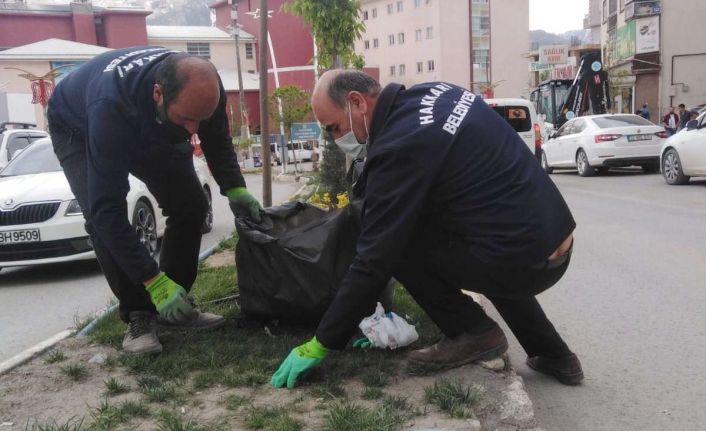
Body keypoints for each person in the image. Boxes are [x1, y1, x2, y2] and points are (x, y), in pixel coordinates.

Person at [271, 69, 583, 389]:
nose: (337, 139)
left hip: (521, 260)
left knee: (399, 242)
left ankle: (474, 333)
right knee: (488, 239)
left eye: (334, 127)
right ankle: (555, 355)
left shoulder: (399, 144)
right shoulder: (436, 93)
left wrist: (324, 340)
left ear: (356, 102)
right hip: (554, 239)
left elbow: (374, 256)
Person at [47, 47, 263, 355]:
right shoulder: (110, 107)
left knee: (190, 204)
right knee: (101, 218)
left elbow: (216, 138)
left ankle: (174, 308)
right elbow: (105, 209)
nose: (193, 131)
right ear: (158, 93)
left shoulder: (203, 86)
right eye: (187, 120)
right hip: (78, 127)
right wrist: (151, 279)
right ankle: (140, 315)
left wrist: (234, 188)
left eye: (200, 120)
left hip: (154, 122)